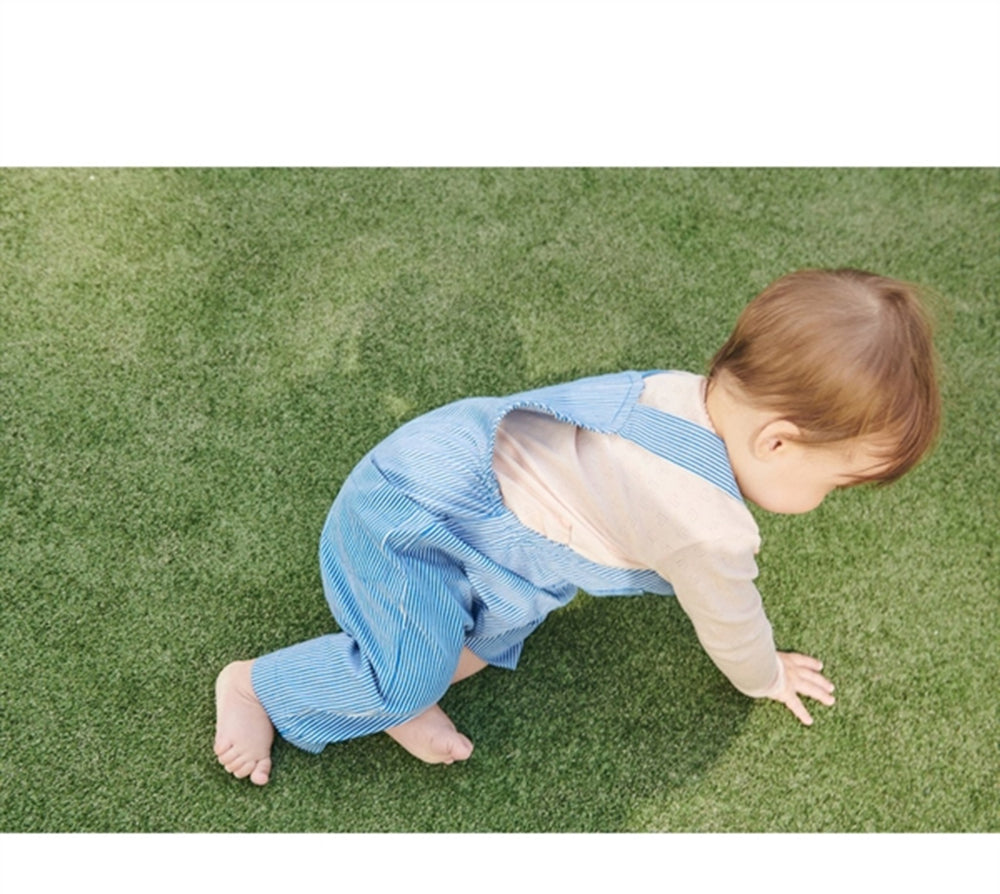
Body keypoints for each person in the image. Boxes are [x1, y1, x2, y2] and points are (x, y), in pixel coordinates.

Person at [214, 268, 941, 786]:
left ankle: (401, 692)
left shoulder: (676, 391)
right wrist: (766, 675)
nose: (826, 499)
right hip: (411, 524)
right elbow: (731, 621)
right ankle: (260, 688)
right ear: (777, 442)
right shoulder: (707, 528)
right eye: (834, 482)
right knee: (407, 672)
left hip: (455, 488)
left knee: (482, 644)